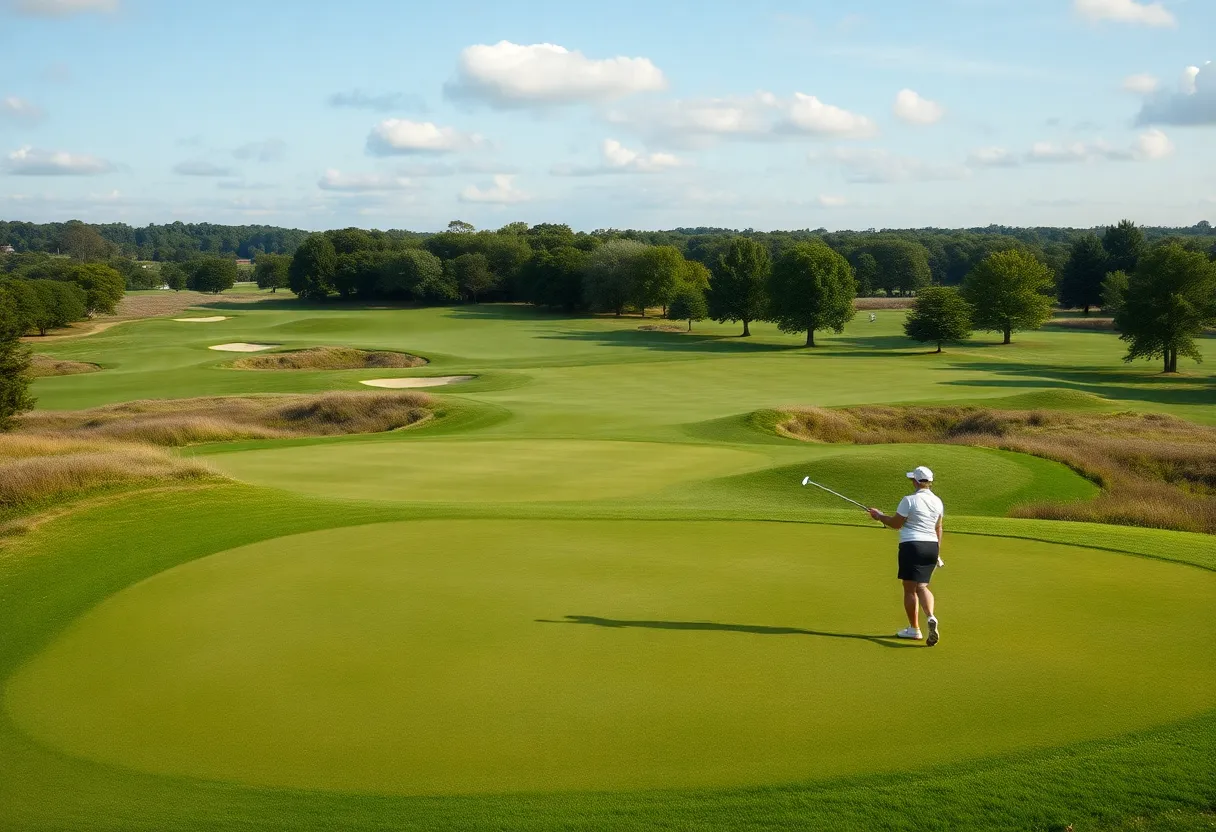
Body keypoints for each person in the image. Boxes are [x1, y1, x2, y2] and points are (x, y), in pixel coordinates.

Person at [867, 466, 944, 646]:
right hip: (931, 546)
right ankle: (930, 616)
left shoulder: (909, 500)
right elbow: (939, 527)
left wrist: (879, 516)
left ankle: (914, 629)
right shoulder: (938, 502)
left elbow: (895, 523)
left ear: (916, 481)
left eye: (912, 479)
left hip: (912, 545)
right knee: (922, 586)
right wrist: (937, 551)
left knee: (909, 589)